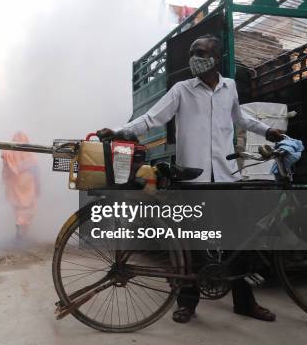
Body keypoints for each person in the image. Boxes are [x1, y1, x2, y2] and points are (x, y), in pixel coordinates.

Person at [98, 34, 283, 323]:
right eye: (192, 53)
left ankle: (244, 302)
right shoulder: (181, 90)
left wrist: (267, 131)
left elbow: (241, 118)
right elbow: (152, 118)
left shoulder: (230, 88)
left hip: (225, 178)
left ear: (216, 58)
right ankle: (187, 303)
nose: (194, 58)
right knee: (192, 245)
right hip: (193, 181)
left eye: (200, 52)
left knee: (238, 244)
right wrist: (121, 131)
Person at [1, 131, 41, 239]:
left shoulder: (8, 151)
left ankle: (20, 226)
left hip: (14, 182)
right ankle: (21, 225)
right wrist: (38, 186)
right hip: (27, 182)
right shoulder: (28, 152)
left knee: (17, 207)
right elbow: (35, 168)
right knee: (29, 207)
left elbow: (6, 165)